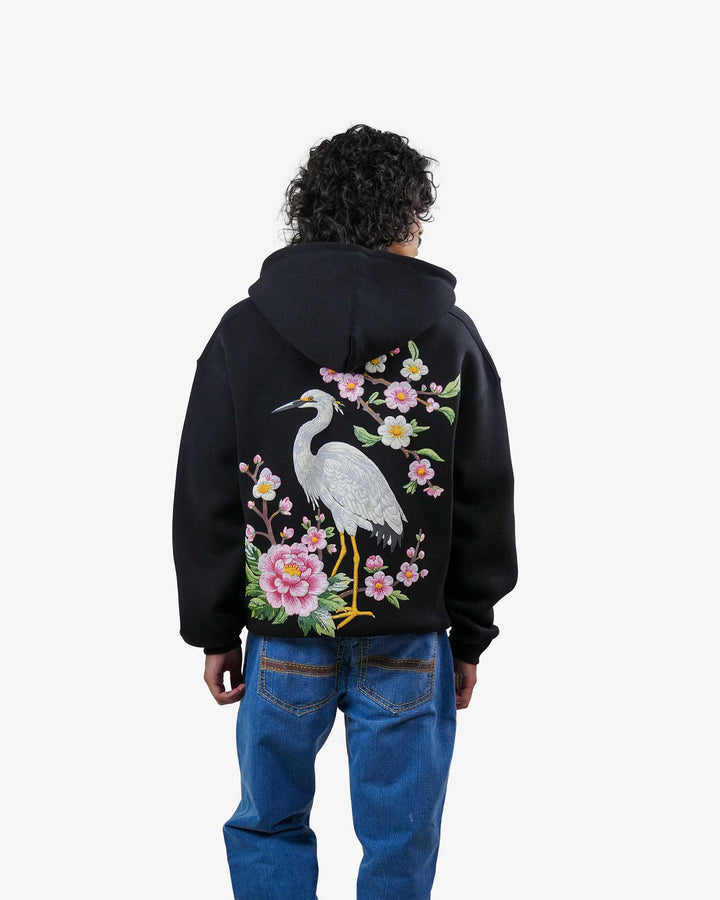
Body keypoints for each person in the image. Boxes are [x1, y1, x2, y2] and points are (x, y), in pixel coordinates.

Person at [172, 123, 518, 900]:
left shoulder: (243, 331)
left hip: (283, 637)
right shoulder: (450, 336)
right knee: (401, 837)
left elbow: (205, 492)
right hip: (411, 640)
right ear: (404, 219)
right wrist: (471, 629)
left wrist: (213, 626)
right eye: (418, 219)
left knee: (270, 823)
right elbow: (485, 492)